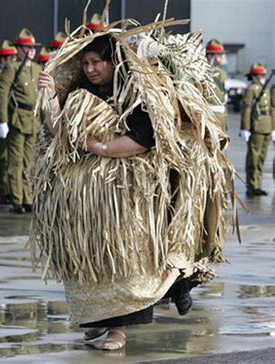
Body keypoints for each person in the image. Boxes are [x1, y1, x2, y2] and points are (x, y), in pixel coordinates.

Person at [33, 24, 234, 351]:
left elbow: (144, 139)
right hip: (89, 195)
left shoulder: (136, 91)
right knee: (92, 258)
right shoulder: (83, 92)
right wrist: (52, 97)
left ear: (112, 62)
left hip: (127, 190)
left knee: (126, 259)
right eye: (85, 64)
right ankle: (100, 320)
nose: (90, 69)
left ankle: (121, 329)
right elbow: (60, 133)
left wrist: (102, 149)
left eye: (96, 62)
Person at [0, 28, 42, 214]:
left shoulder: (38, 69)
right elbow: (2, 94)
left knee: (29, 161)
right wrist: (3, 121)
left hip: (32, 119)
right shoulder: (12, 68)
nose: (30, 50)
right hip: (17, 118)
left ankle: (28, 197)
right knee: (15, 161)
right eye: (26, 47)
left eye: (32, 47)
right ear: (19, 49)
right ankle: (16, 199)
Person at [240, 63, 273, 196]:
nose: (263, 77)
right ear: (254, 76)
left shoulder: (266, 89)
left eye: (264, 75)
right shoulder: (251, 89)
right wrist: (245, 128)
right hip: (256, 127)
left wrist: (273, 128)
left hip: (267, 127)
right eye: (261, 75)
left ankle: (258, 185)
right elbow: (246, 109)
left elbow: (271, 109)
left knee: (261, 159)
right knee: (253, 158)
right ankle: (251, 186)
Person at [0, 40, 17, 205]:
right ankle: (0, 190)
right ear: (1, 59)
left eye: (12, 57)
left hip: (13, 118)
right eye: (7, 57)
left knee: (11, 157)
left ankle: (9, 189)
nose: (10, 60)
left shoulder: (15, 72)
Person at [205, 39, 228, 130]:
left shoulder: (221, 73)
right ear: (210, 56)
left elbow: (224, 98)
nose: (222, 57)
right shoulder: (202, 72)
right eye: (219, 54)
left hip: (221, 116)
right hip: (210, 116)